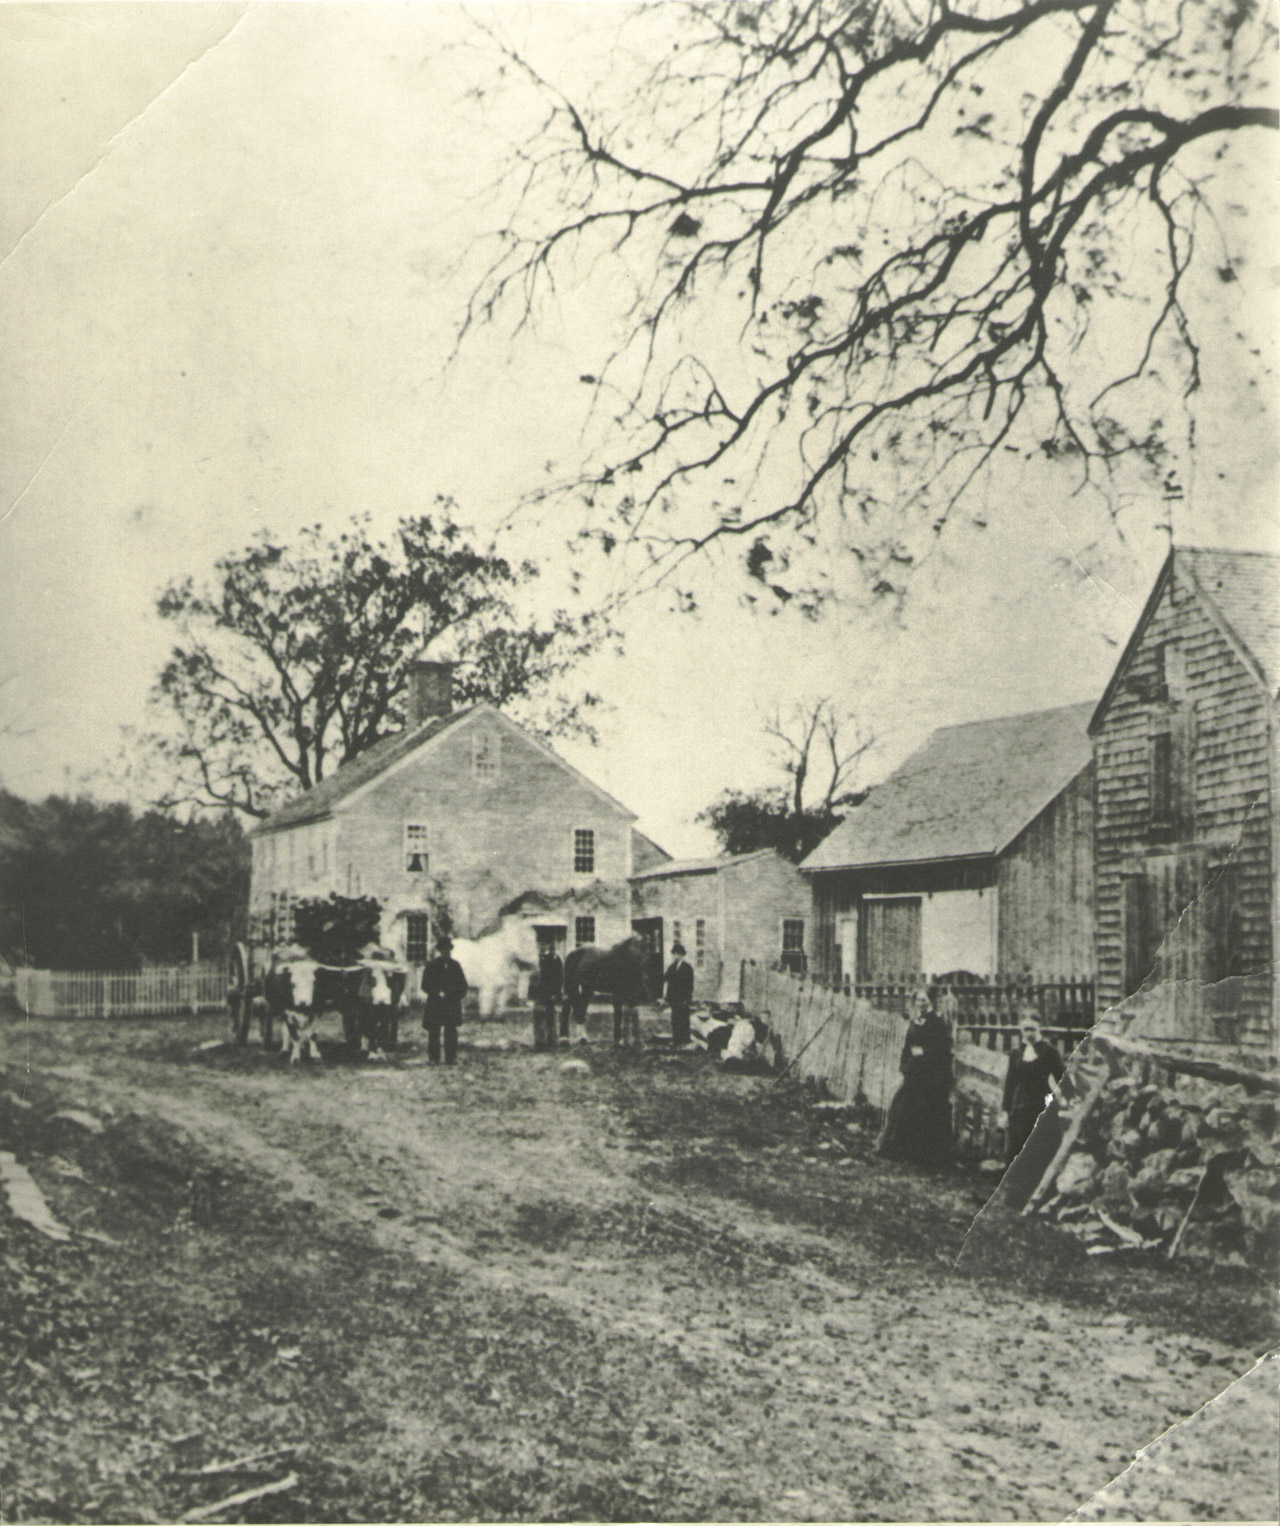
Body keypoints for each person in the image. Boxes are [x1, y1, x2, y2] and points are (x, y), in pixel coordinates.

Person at [878, 990, 954, 1168]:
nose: (921, 1003)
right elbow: (907, 1046)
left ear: (931, 1002)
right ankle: (905, 1151)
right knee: (904, 1108)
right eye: (919, 1000)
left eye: (925, 1000)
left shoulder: (937, 1023)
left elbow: (943, 1050)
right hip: (914, 1073)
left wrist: (924, 1053)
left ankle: (926, 1155)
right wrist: (905, 1066)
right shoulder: (914, 1022)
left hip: (931, 1076)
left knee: (927, 1112)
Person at [1001, 1017, 1065, 1162]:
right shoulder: (1016, 1053)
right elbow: (1010, 1082)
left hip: (1041, 1101)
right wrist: (1005, 1109)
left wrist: (1066, 1098)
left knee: (1039, 1142)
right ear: (1021, 1031)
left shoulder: (1049, 1051)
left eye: (1032, 1029)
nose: (1029, 1033)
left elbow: (1062, 1076)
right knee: (1017, 1142)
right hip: (1020, 1103)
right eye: (1026, 1029)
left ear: (1039, 1029)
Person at [421, 935, 468, 1065]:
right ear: (439, 951)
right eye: (443, 950)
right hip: (435, 1003)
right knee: (434, 1031)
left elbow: (463, 985)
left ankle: (451, 1058)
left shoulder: (455, 965)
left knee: (451, 1031)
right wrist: (437, 993)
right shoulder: (431, 966)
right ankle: (434, 1058)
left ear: (450, 950)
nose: (445, 953)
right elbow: (425, 985)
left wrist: (453, 996)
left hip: (451, 1003)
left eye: (447, 950)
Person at [533, 941, 564, 1051]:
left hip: (550, 993)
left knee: (550, 1018)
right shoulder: (541, 960)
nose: (551, 951)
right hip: (541, 993)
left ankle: (551, 1041)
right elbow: (537, 977)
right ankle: (540, 1042)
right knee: (539, 1016)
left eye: (553, 949)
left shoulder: (557, 961)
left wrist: (555, 993)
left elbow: (559, 978)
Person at [663, 941, 694, 1047]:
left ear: (681, 954)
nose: (674, 956)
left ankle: (685, 1039)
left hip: (683, 998)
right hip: (674, 998)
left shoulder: (687, 968)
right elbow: (665, 978)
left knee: (684, 1018)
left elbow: (690, 985)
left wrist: (687, 999)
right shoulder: (672, 967)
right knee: (675, 1019)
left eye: (676, 954)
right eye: (673, 954)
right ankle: (676, 1039)